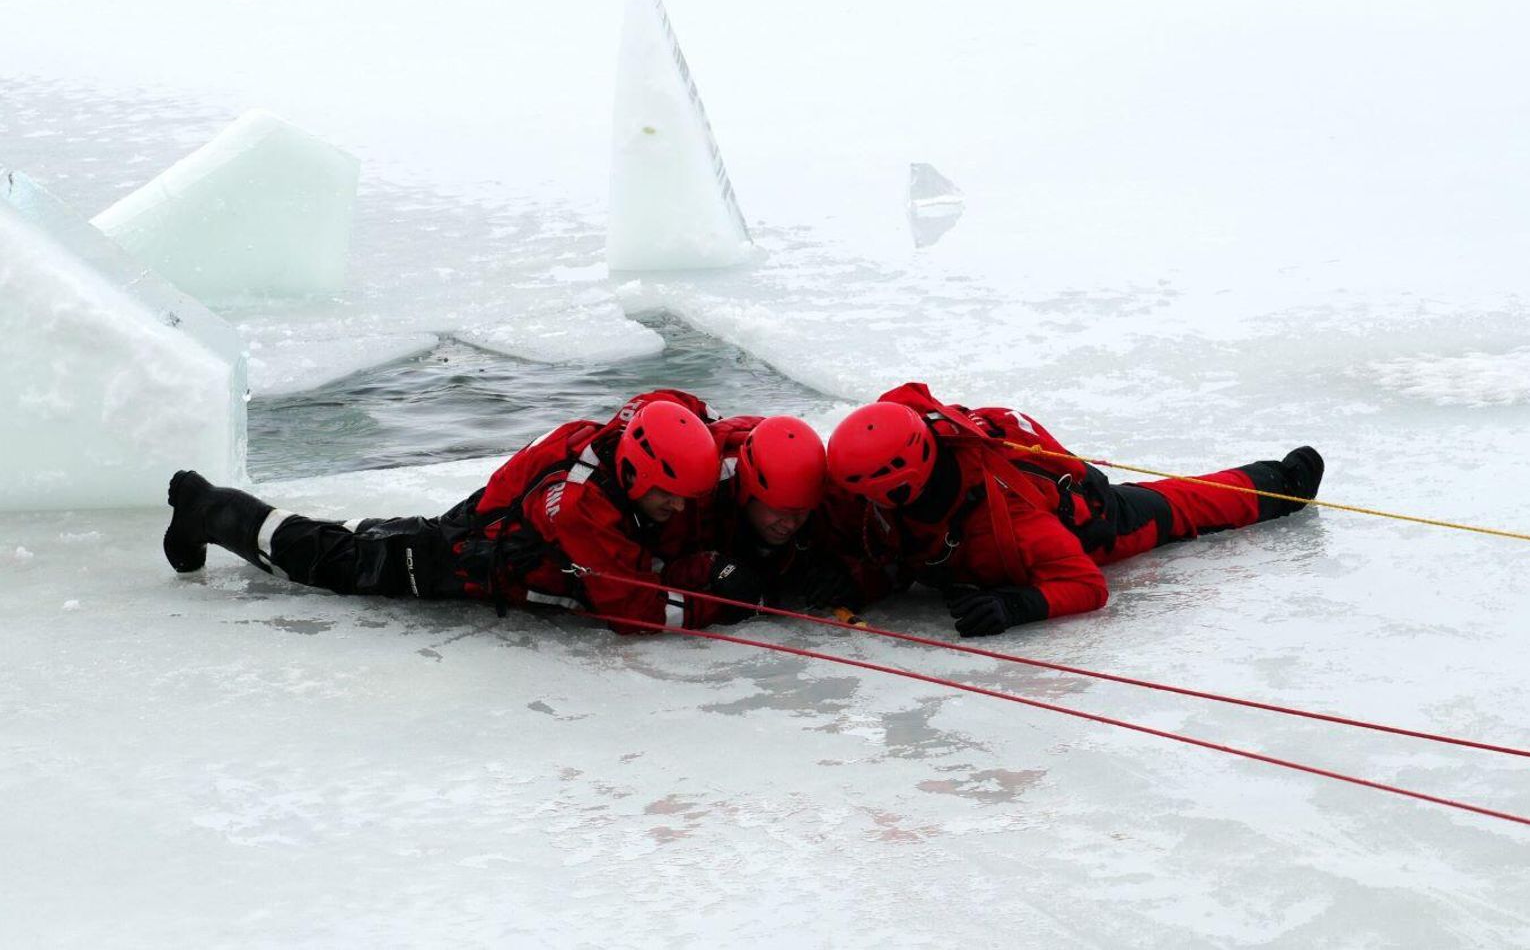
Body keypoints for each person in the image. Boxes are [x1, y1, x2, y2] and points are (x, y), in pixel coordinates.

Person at [162, 390, 766, 634]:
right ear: (634, 471)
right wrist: (722, 596)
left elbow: (706, 419)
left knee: (375, 537)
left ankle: (215, 508)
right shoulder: (583, 505)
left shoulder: (650, 426)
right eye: (667, 496)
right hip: (469, 557)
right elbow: (634, 607)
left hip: (488, 517)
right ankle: (208, 509)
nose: (678, 507)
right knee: (336, 562)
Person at [818, 382, 1325, 637]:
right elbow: (899, 556)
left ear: (905, 483)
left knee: (1182, 506)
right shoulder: (890, 503)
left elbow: (1088, 586)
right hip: (991, 541)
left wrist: (1015, 608)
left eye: (872, 494)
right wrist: (860, 582)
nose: (863, 505)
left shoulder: (1011, 518)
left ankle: (1281, 482)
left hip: (1090, 524)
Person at [659, 414, 828, 605]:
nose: (790, 524)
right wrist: (710, 568)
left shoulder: (819, 486)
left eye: (800, 511)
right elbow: (658, 568)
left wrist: (843, 576)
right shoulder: (697, 496)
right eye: (780, 511)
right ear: (748, 493)